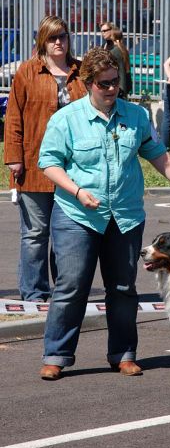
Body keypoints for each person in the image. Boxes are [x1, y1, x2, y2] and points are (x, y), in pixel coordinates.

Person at [38, 47, 170, 381]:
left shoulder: (135, 116)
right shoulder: (66, 119)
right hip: (77, 214)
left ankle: (123, 354)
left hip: (125, 215)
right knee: (71, 285)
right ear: (88, 83)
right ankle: (57, 354)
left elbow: (156, 153)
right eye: (104, 84)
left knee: (123, 288)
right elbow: (48, 162)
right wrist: (77, 191)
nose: (111, 90)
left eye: (115, 82)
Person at [3, 15, 86, 302]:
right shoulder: (27, 72)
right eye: (52, 37)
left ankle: (65, 291)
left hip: (75, 169)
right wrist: (14, 158)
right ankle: (35, 292)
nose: (59, 42)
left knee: (67, 234)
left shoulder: (80, 71)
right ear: (42, 41)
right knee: (36, 234)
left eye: (62, 36)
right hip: (35, 166)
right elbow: (13, 117)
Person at [100, 21, 127, 97]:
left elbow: (122, 71)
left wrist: (121, 90)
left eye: (105, 31)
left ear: (111, 30)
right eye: (101, 31)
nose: (103, 33)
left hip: (116, 88)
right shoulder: (104, 46)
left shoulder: (116, 50)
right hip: (107, 85)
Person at [110, 28, 132, 94]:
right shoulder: (123, 49)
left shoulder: (114, 52)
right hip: (125, 84)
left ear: (112, 37)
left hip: (119, 86)